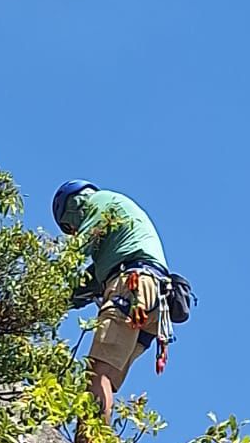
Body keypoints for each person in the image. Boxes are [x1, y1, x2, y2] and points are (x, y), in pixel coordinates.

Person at [52, 179, 170, 423]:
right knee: (105, 377)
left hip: (131, 285)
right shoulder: (118, 237)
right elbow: (88, 282)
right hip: (153, 300)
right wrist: (57, 301)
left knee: (97, 376)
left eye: (69, 225)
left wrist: (39, 284)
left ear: (74, 203)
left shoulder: (100, 202)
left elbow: (74, 253)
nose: (73, 230)